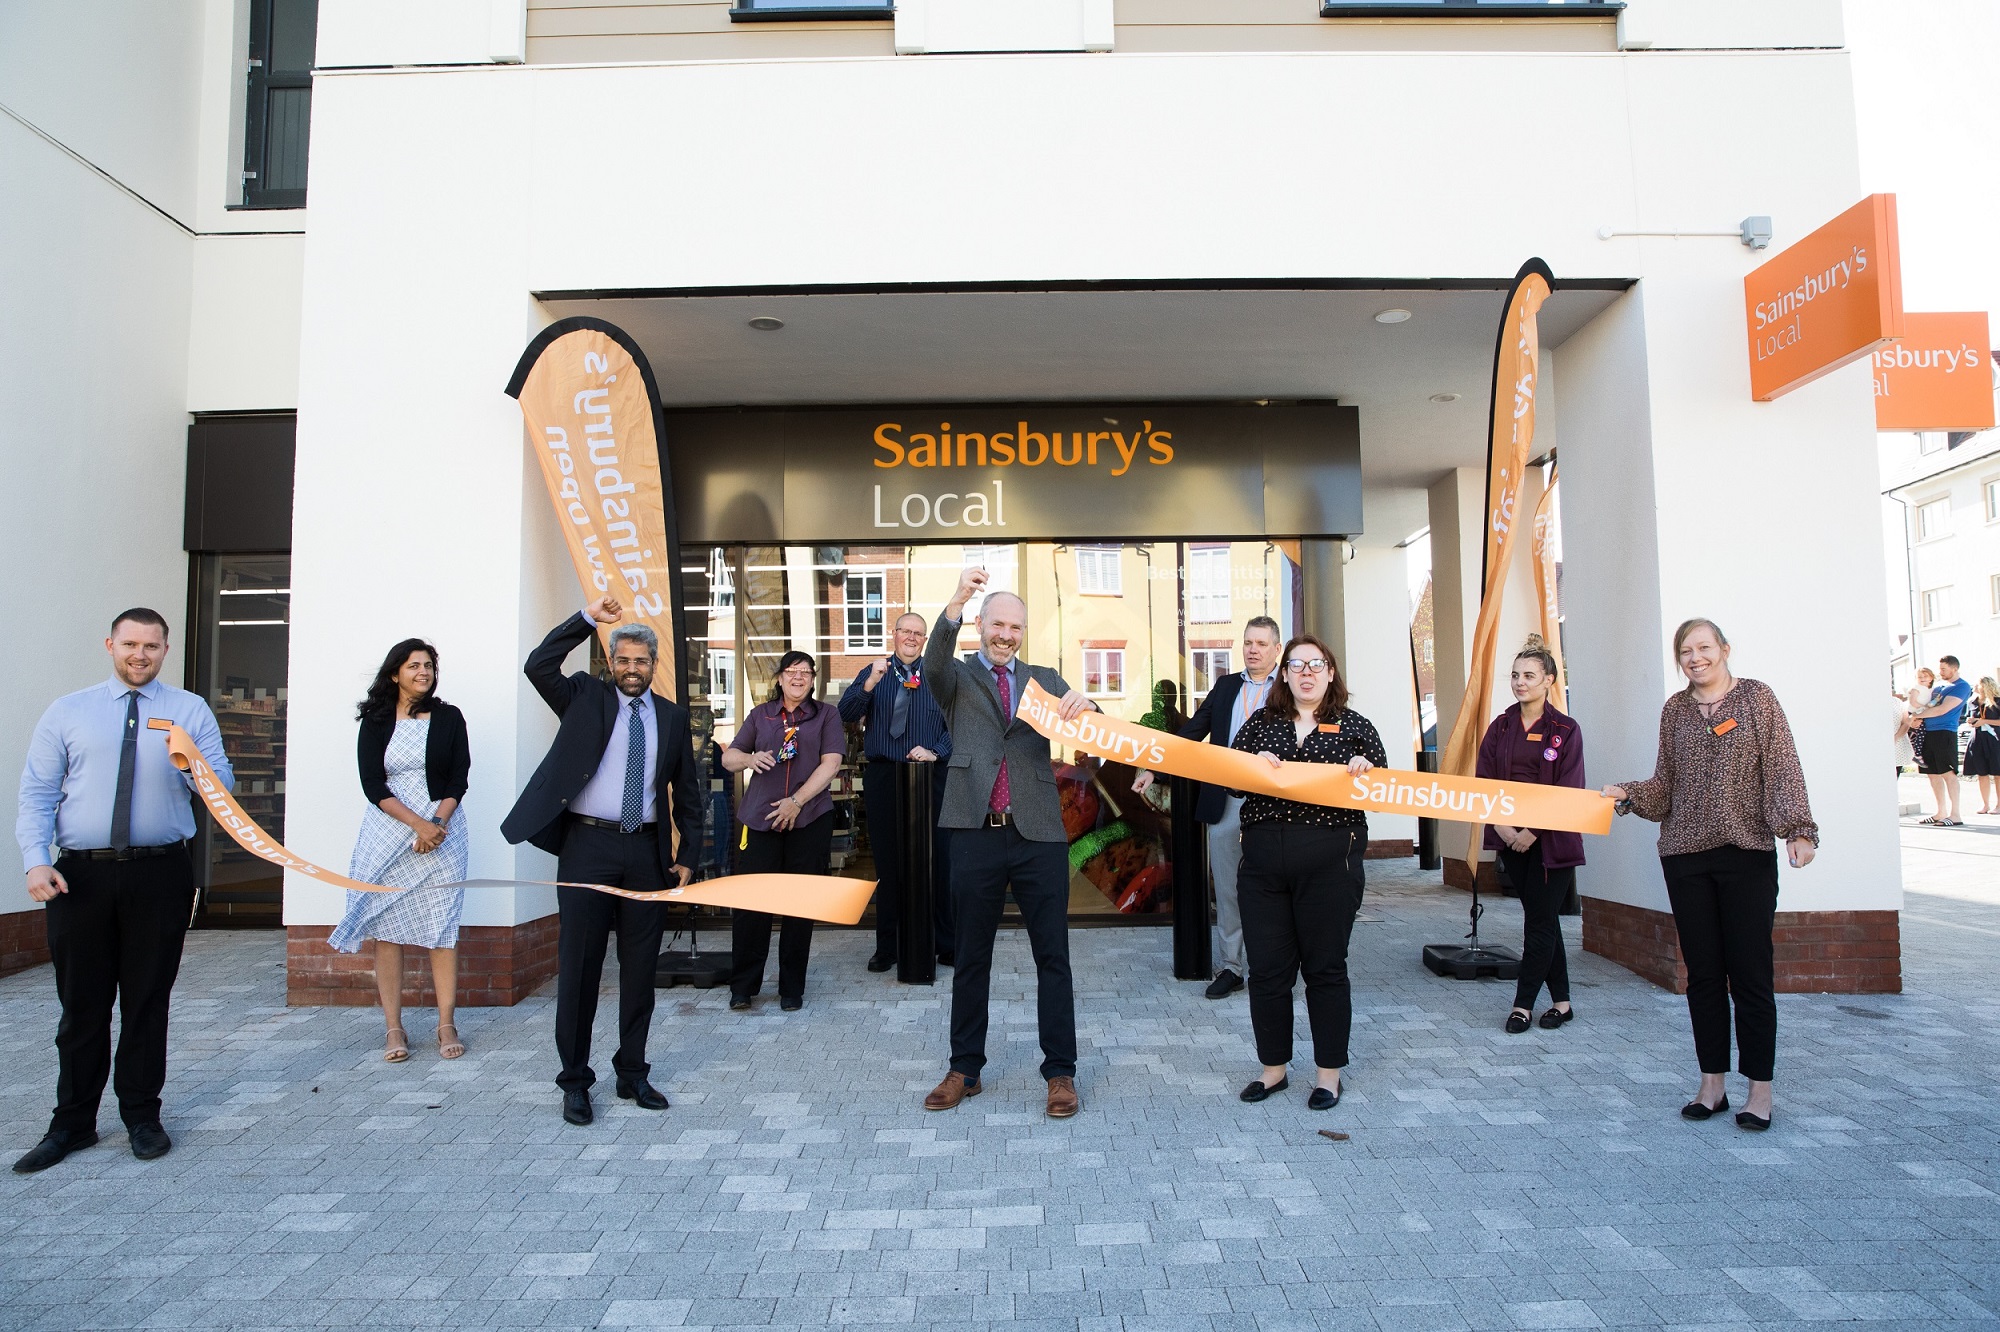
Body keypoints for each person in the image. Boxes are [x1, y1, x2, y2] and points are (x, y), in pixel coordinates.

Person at [13, 609, 234, 1174]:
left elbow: (222, 791)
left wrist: (191, 761)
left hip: (159, 874)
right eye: (130, 644)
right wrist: (36, 862)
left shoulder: (188, 711)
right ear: (110, 644)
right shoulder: (69, 711)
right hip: (78, 877)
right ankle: (72, 1124)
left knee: (145, 1001)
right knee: (81, 1005)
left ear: (165, 650)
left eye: (152, 646)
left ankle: (141, 1115)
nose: (141, 654)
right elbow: (37, 792)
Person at [1603, 618, 1817, 1132]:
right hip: (1685, 857)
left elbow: (1783, 768)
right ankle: (1712, 1084)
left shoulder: (1757, 700)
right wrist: (1627, 794)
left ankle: (1759, 1091)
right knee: (1702, 976)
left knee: (1750, 974)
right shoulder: (1674, 710)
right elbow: (1665, 786)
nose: (1695, 657)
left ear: (1724, 649)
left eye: (1703, 647)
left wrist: (1798, 829)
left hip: (1745, 854)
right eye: (1685, 651)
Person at [501, 596, 701, 1127]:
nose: (632, 670)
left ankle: (633, 1072)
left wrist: (688, 856)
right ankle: (574, 1081)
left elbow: (689, 794)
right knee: (581, 969)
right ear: (610, 663)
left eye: (641, 661)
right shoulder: (584, 697)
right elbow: (537, 664)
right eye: (623, 660)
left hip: (647, 852)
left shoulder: (673, 718)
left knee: (639, 972)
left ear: (653, 666)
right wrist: (586, 618)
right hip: (586, 849)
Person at [919, 567, 1096, 1119]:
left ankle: (1060, 1073)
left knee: (1054, 957)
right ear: (982, 625)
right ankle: (964, 1067)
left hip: (1038, 831)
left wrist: (1085, 708)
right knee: (972, 956)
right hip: (975, 830)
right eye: (997, 623)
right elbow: (930, 663)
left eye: (1015, 626)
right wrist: (956, 601)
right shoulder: (955, 677)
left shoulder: (1044, 678)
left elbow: (1090, 730)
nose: (1006, 634)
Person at [1229, 635, 1386, 1112]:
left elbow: (1383, 790)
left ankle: (1327, 1076)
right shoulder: (1262, 723)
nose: (1306, 673)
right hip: (1262, 867)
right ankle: (1273, 1070)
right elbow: (1232, 780)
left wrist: (1366, 771)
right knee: (1269, 971)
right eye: (1297, 665)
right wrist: (1251, 766)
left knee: (1325, 969)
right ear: (1285, 673)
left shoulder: (1356, 727)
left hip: (1329, 866)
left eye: (1316, 665)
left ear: (1331, 673)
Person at [328, 639, 471, 1062]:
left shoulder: (449, 717)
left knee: (442, 927)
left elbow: (459, 778)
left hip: (444, 833)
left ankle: (446, 1023)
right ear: (395, 673)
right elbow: (373, 784)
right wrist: (417, 824)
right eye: (414, 666)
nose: (423, 672)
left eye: (428, 666)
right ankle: (394, 1027)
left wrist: (437, 824)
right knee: (387, 929)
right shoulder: (375, 720)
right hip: (390, 830)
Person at [1131, 616, 1284, 999]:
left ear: (1277, 650)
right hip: (1228, 801)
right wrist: (1154, 767)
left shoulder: (1291, 687)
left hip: (1278, 805)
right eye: (1248, 642)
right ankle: (1232, 967)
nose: (1253, 649)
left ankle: (1275, 968)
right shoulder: (1226, 686)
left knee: (1279, 887)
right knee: (1229, 889)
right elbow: (1192, 734)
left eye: (1262, 644)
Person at [1475, 635, 1586, 1035]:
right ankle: (1563, 1003)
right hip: (1511, 841)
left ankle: (1522, 1005)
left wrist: (1532, 830)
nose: (1520, 682)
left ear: (1549, 680)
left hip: (1551, 843)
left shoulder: (1565, 729)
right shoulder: (1501, 726)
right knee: (1544, 921)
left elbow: (1568, 789)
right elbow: (1483, 781)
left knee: (1538, 924)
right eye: (1515, 675)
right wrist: (1504, 828)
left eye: (1529, 675)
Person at [722, 651, 845, 1011]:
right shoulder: (761, 715)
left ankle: (791, 989)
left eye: (805, 673)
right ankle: (743, 987)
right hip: (759, 820)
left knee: (799, 905)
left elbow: (831, 763)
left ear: (812, 679)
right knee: (751, 906)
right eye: (791, 672)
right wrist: (748, 758)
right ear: (779, 678)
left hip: (809, 819)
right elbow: (730, 757)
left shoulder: (826, 715)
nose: (798, 678)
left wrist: (797, 801)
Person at [838, 613, 954, 973]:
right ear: (895, 633)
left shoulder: (939, 675)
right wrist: (870, 682)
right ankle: (887, 946)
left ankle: (945, 944)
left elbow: (960, 721)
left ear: (924, 639)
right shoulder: (875, 670)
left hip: (930, 773)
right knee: (888, 865)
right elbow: (846, 712)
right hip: (886, 776)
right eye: (906, 631)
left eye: (919, 633)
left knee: (938, 861)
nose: (912, 638)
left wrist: (937, 750)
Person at [1910, 655, 1971, 826]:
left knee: (1947, 773)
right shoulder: (1939, 686)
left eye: (1944, 669)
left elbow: (1943, 709)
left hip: (1944, 733)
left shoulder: (1961, 686)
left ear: (1954, 668)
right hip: (1927, 733)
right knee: (1932, 774)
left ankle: (1955, 814)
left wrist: (1917, 716)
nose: (1940, 672)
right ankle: (1940, 812)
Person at [1963, 677, 2000, 814]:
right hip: (1977, 739)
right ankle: (1985, 805)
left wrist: (1984, 721)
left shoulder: (1997, 701)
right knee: (1981, 773)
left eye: (1977, 684)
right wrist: (1971, 721)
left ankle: (1999, 805)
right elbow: (1971, 718)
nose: (1975, 687)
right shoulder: (1972, 702)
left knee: (1998, 773)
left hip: (1994, 740)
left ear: (1985, 686)